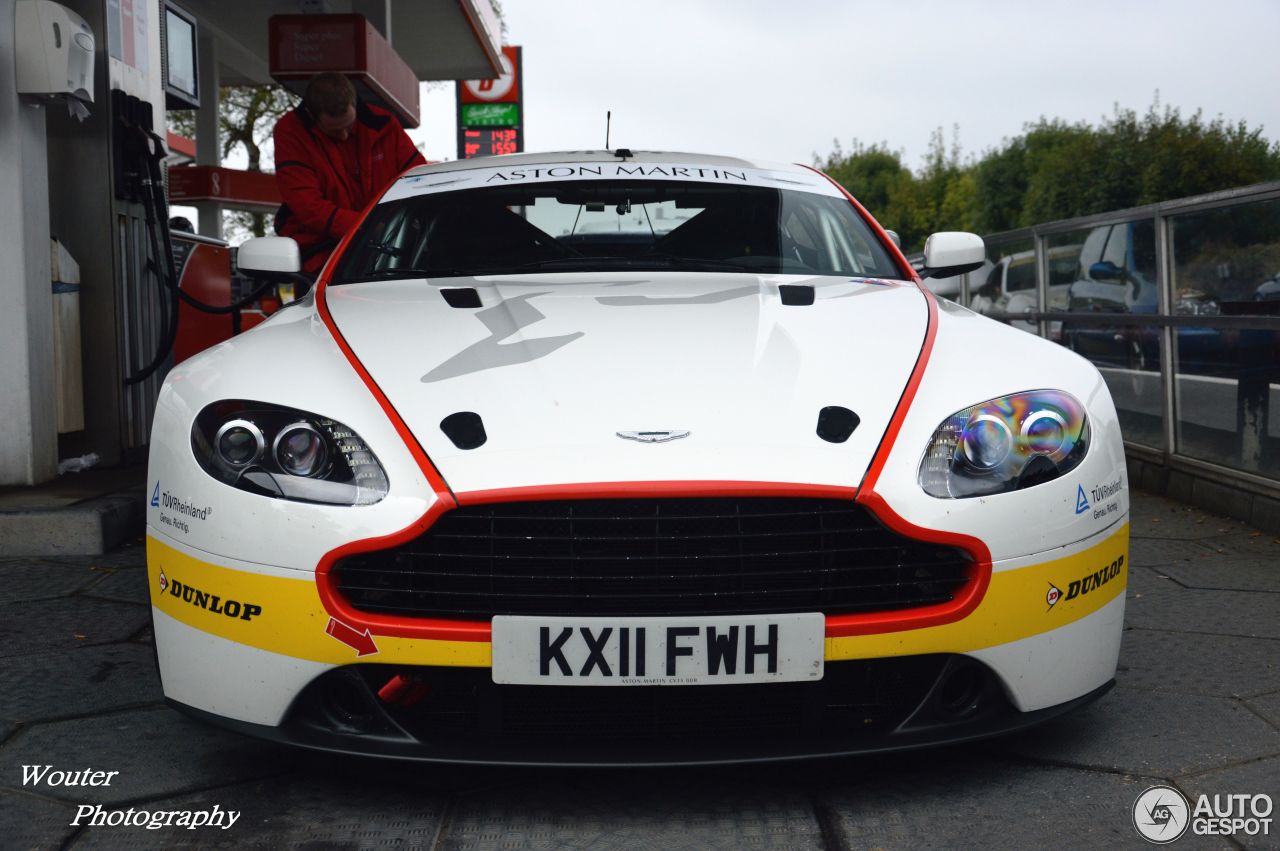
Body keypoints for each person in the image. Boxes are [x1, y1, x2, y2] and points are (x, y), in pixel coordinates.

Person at [272, 73, 425, 275]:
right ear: (311, 115)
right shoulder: (291, 133)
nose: (344, 135)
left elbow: (419, 181)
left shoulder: (384, 125)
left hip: (390, 251)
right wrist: (369, 227)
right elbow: (307, 205)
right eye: (334, 131)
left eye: (349, 126)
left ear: (355, 106)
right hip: (322, 259)